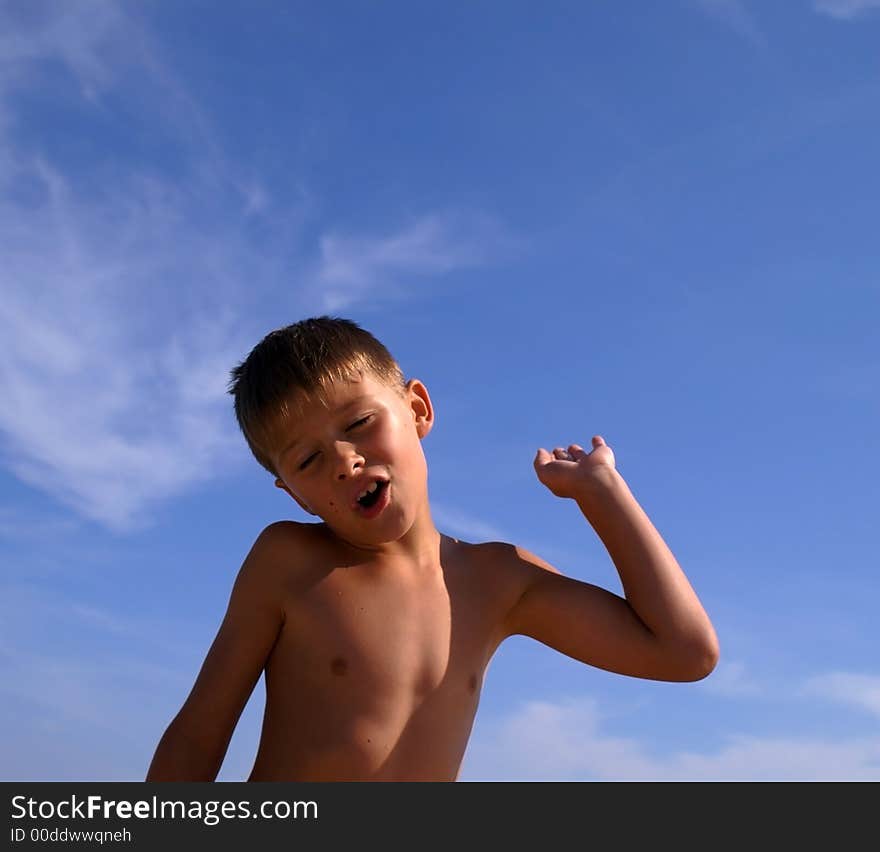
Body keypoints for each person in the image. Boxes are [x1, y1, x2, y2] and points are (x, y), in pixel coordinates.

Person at [146, 316, 719, 782]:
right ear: (292, 493)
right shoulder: (290, 561)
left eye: (360, 422)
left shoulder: (497, 582)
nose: (345, 461)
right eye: (308, 460)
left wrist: (603, 494)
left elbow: (684, 653)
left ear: (417, 409)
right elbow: (199, 734)